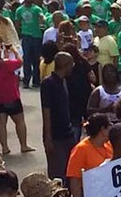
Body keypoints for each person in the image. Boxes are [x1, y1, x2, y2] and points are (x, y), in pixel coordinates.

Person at [0, 42, 35, 154]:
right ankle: (23, 145)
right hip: (11, 96)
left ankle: (4, 147)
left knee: (1, 123)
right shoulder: (5, 64)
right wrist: (14, 50)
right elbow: (20, 62)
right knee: (20, 121)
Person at [41, 51, 78, 180]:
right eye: (71, 64)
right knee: (58, 174)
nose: (73, 66)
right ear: (66, 65)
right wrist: (48, 138)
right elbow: (46, 111)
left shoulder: (64, 81)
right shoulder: (48, 83)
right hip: (56, 136)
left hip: (68, 133)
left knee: (71, 170)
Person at [66, 114, 113, 197]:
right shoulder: (80, 149)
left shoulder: (109, 145)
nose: (112, 128)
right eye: (109, 125)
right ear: (102, 129)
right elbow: (74, 180)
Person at [15, 0, 45, 88]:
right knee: (26, 59)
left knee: (36, 59)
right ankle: (26, 81)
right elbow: (17, 22)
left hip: (36, 36)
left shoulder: (37, 9)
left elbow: (42, 17)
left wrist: (42, 18)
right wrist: (20, 32)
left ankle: (36, 80)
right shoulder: (20, 10)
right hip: (26, 36)